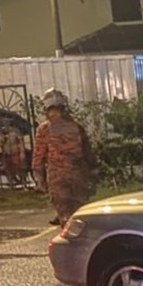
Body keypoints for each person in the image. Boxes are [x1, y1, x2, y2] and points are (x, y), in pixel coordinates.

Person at [32, 89, 98, 226]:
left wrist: (40, 181)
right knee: (80, 214)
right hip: (78, 176)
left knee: (67, 218)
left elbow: (38, 158)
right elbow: (88, 153)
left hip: (59, 179)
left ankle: (68, 241)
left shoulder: (44, 129)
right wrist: (93, 173)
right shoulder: (76, 126)